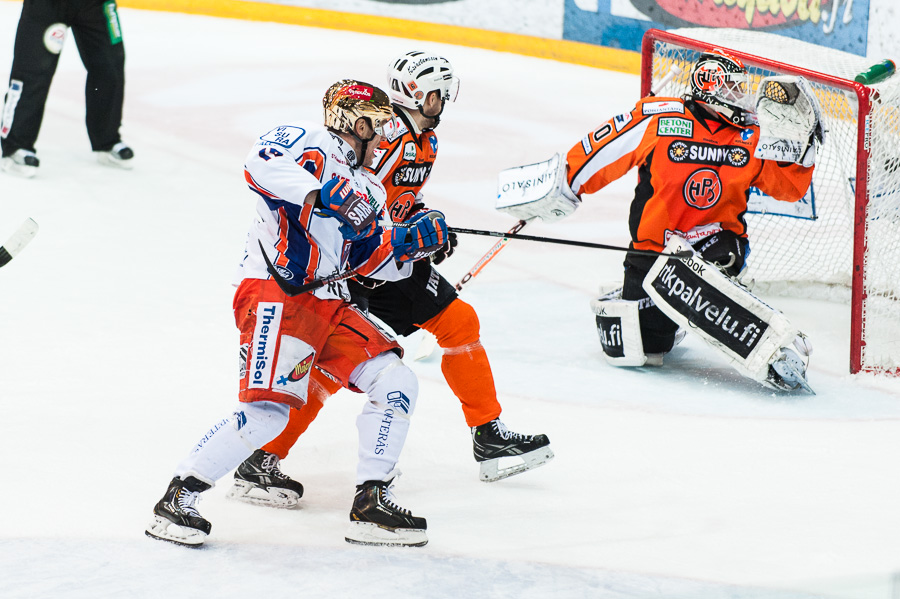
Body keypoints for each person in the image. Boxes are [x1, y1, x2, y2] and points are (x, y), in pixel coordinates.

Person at [226, 52, 554, 509]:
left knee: (456, 324)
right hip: (361, 268)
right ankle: (262, 457)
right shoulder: (389, 136)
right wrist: (403, 239)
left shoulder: (426, 142)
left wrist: (423, 224)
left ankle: (487, 435)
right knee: (329, 369)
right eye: (437, 90)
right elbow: (357, 207)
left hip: (388, 260)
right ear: (416, 93)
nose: (443, 99)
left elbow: (398, 201)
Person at [145, 79, 449, 548]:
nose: (387, 136)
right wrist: (322, 193)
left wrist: (411, 247)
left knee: (395, 381)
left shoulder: (369, 185)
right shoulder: (305, 139)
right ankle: (178, 499)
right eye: (381, 125)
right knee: (266, 415)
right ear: (356, 122)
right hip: (275, 294)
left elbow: (372, 264)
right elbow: (257, 166)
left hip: (328, 303)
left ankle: (371, 503)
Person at [501, 49, 822, 392]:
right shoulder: (658, 119)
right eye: (730, 86)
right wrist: (563, 185)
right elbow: (601, 151)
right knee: (646, 349)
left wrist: (802, 145)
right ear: (708, 83)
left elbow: (788, 188)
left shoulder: (751, 135)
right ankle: (668, 316)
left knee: (711, 259)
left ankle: (771, 345)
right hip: (653, 251)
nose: (739, 95)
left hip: (713, 243)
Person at [0, 0, 134, 177]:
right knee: (33, 72)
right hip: (47, 5)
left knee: (110, 67)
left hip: (96, 4)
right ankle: (16, 146)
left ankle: (107, 140)